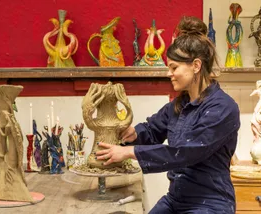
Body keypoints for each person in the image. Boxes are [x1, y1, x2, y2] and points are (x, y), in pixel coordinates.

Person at [95, 16, 240, 214]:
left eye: (174, 68)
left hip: (210, 203)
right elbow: (152, 129)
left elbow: (185, 152)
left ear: (196, 66)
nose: (168, 74)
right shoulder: (179, 105)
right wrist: (133, 133)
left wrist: (131, 152)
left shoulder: (223, 108)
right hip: (176, 199)